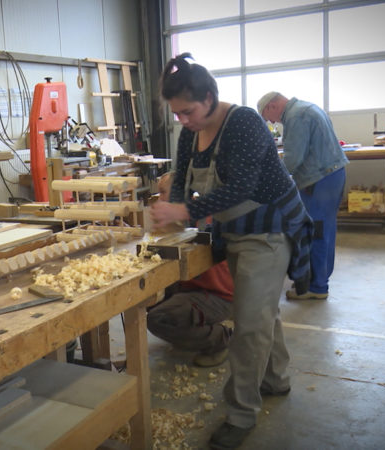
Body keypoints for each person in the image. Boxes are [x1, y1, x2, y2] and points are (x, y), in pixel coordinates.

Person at [150, 53, 314, 450]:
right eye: (177, 115)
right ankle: (276, 379)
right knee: (259, 311)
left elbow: (241, 187)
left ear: (210, 97)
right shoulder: (190, 130)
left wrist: (186, 210)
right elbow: (181, 174)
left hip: (268, 229)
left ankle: (241, 414)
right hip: (234, 230)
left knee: (249, 325)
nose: (183, 120)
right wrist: (171, 211)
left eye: (188, 111)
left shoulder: (244, 122)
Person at [257, 92, 349, 300]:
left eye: (267, 116)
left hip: (318, 181)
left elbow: (293, 159)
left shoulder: (296, 117)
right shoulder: (308, 108)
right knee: (325, 229)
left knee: (315, 231)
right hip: (332, 176)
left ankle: (317, 287)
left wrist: (268, 178)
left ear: (273, 105)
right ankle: (321, 278)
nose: (272, 122)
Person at [147, 172, 235, 368]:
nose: (158, 199)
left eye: (163, 193)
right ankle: (189, 330)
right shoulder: (180, 219)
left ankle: (219, 340)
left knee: (158, 318)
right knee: (145, 298)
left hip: (217, 293)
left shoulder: (204, 218)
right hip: (193, 287)